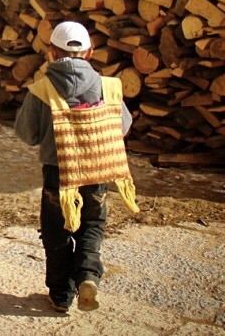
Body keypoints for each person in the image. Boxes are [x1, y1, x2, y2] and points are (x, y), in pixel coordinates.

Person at [14, 21, 138, 313]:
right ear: (91, 52)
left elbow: (27, 134)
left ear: (51, 53)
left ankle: (60, 295)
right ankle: (87, 276)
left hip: (58, 174)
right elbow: (123, 126)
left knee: (57, 232)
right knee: (92, 225)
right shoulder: (109, 87)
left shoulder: (41, 90)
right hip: (98, 170)